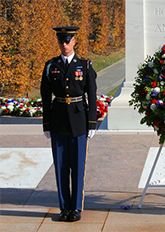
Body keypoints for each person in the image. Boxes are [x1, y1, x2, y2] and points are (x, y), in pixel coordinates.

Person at [40, 26, 97, 222]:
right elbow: (45, 96)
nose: (64, 44)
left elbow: (92, 95)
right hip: (58, 121)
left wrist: (91, 124)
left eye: (68, 40)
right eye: (61, 41)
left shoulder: (85, 66)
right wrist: (46, 124)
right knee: (61, 166)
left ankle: (76, 208)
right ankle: (64, 207)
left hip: (79, 120)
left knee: (78, 166)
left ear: (74, 42)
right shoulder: (51, 65)